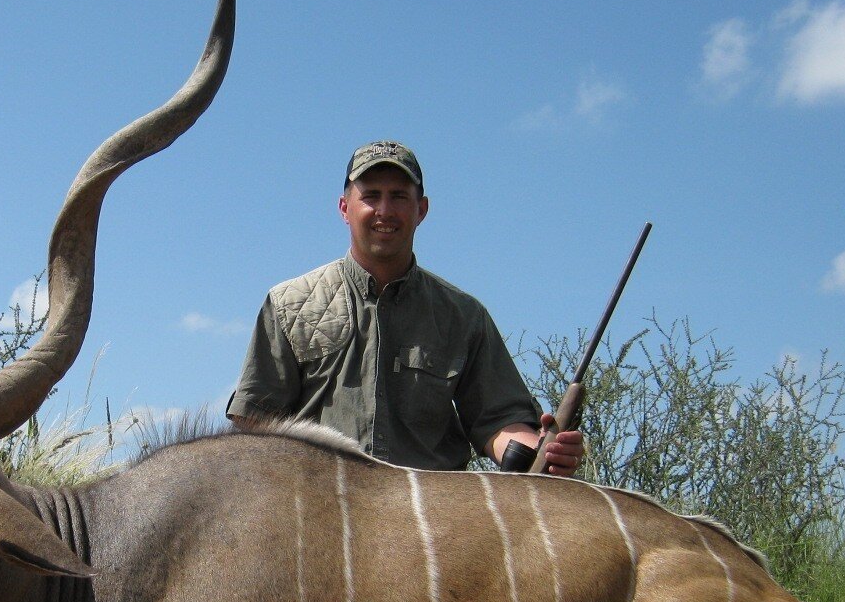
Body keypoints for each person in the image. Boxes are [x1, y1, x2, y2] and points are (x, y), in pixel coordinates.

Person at [227, 140, 584, 475]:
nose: (385, 210)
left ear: (421, 210)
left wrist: (541, 452)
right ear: (344, 208)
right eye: (371, 196)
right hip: (318, 513)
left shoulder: (463, 315)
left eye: (399, 196)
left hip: (429, 520)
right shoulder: (289, 303)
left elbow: (500, 421)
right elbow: (254, 424)